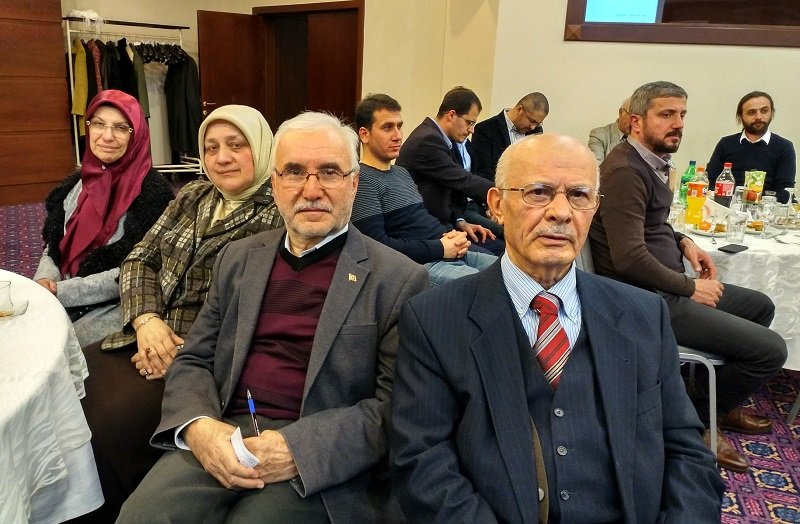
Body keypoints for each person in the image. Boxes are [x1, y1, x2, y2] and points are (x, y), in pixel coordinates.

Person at [390, 133, 724, 523]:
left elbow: (686, 451)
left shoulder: (643, 315)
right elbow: (424, 462)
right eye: (538, 192)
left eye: (579, 195)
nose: (561, 213)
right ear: (496, 205)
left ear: (594, 209)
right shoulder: (435, 319)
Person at [117, 111, 429, 523]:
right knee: (142, 517)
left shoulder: (398, 279)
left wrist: (297, 450)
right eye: (295, 172)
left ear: (354, 183)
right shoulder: (239, 258)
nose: (311, 190)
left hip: (316, 453)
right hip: (225, 430)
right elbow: (194, 358)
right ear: (276, 183)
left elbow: (396, 407)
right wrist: (197, 426)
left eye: (329, 172)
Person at [73, 105, 285, 523]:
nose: (222, 157)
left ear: (262, 148)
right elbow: (139, 259)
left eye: (236, 145)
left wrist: (182, 351)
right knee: (69, 388)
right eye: (211, 148)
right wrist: (146, 319)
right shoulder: (194, 196)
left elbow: (251, 309)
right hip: (143, 335)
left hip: (198, 360)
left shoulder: (277, 214)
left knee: (106, 425)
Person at [588, 81, 787, 473]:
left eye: (681, 115)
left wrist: (684, 242)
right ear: (636, 122)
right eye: (666, 115)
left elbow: (652, 223)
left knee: (761, 306)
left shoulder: (649, 161)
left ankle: (716, 403)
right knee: (771, 351)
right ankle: (696, 420)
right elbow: (628, 258)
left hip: (665, 284)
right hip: (645, 298)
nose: (677, 123)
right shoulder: (625, 170)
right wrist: (689, 287)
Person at [33, 89, 174, 347]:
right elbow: (53, 244)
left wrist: (59, 291)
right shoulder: (77, 182)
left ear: (136, 135)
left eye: (121, 128)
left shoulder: (153, 193)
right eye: (98, 124)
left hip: (119, 302)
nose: (107, 136)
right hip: (59, 292)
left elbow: (139, 270)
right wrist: (43, 281)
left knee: (57, 345)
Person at [352, 93, 496, 286]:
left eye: (399, 126)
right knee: (490, 287)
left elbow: (422, 217)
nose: (397, 136)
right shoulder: (362, 180)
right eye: (387, 128)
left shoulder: (401, 173)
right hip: (421, 263)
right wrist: (440, 248)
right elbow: (378, 247)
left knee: (512, 273)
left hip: (445, 246)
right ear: (364, 134)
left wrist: (452, 230)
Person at [396, 86, 502, 254]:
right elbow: (462, 180)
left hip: (448, 220)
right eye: (469, 122)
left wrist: (460, 221)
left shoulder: (439, 138)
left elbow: (447, 192)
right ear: (451, 115)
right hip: (427, 230)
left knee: (498, 244)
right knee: (496, 254)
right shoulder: (427, 140)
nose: (471, 130)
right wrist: (503, 193)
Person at [706, 91, 796, 203]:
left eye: (764, 111)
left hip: (767, 208)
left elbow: (785, 191)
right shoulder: (726, 144)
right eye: (751, 112)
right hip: (727, 205)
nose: (758, 117)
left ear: (771, 113)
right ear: (740, 116)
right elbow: (710, 181)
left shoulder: (784, 147)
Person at [472, 91, 549, 181]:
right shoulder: (485, 129)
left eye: (538, 123)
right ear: (519, 109)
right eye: (532, 121)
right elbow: (483, 172)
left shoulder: (536, 132)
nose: (533, 127)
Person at [588, 96, 632, 163]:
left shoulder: (644, 137)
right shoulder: (599, 135)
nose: (635, 122)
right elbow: (596, 166)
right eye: (631, 116)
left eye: (639, 118)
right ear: (621, 113)